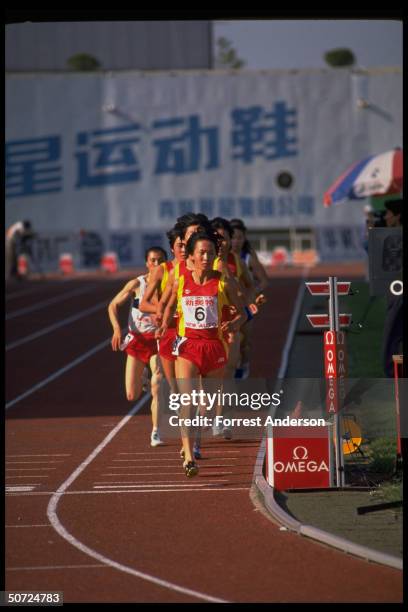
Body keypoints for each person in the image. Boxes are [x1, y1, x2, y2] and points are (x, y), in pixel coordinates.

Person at [157, 230, 246, 477]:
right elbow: (169, 304)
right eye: (201, 253)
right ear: (192, 256)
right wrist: (164, 324)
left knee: (203, 406)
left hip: (213, 347)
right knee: (187, 403)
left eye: (210, 253)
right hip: (187, 347)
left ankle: (196, 438)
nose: (206, 257)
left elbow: (243, 312)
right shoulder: (180, 280)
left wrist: (234, 324)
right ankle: (188, 456)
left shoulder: (223, 281)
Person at [108, 246, 167, 446]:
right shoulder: (136, 284)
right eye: (153, 260)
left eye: (160, 260)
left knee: (157, 385)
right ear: (146, 263)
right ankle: (142, 376)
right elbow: (113, 305)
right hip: (137, 340)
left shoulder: (170, 284)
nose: (156, 264)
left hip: (158, 340)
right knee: (131, 395)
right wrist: (117, 329)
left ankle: (156, 431)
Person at [230, 218, 269, 378]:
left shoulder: (248, 258)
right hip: (228, 306)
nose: (235, 241)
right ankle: (230, 369)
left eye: (239, 237)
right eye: (232, 237)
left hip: (246, 305)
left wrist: (252, 294)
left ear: (244, 238)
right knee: (231, 340)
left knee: (244, 342)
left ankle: (243, 366)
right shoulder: (220, 259)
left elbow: (264, 281)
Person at [382, 199, 403, 377]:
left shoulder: (393, 239)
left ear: (398, 216)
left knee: (391, 343)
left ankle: (395, 383)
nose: (386, 217)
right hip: (396, 294)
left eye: (389, 213)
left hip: (399, 297)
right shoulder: (390, 236)